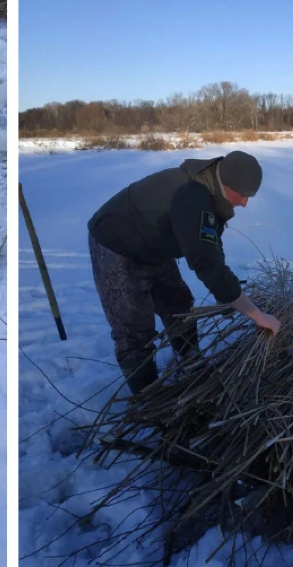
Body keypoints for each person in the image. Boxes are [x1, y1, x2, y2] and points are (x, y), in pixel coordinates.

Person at [87, 150, 282, 395]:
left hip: (154, 243)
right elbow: (206, 263)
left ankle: (191, 361)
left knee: (178, 304)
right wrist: (255, 314)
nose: (244, 203)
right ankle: (148, 400)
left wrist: (230, 297)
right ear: (226, 183)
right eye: (242, 195)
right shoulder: (193, 199)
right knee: (134, 330)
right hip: (116, 241)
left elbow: (210, 246)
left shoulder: (210, 188)